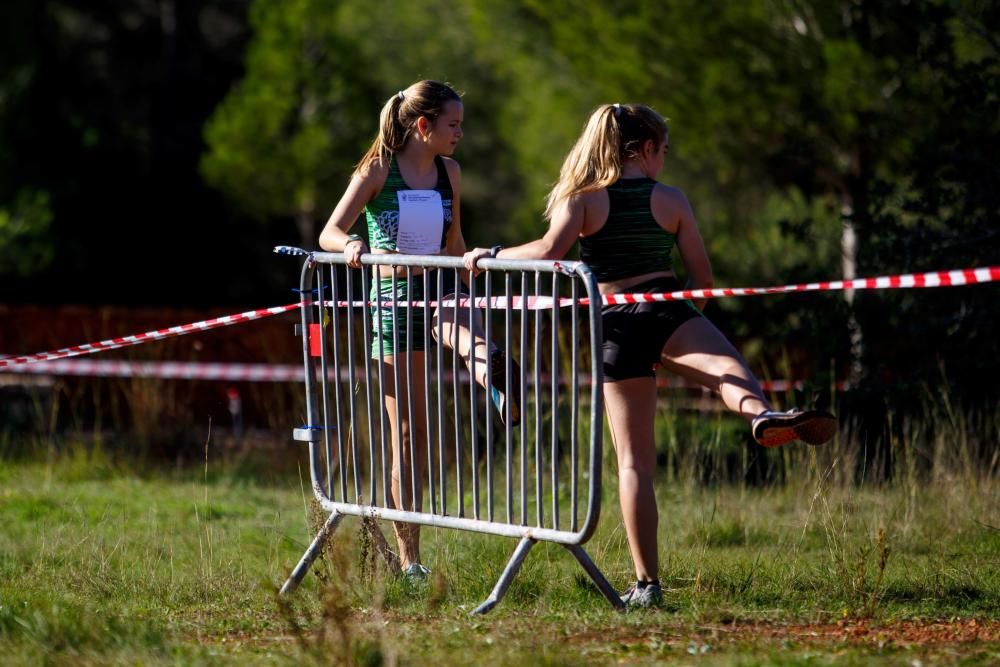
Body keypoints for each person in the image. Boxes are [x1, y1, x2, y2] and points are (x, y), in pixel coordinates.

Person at [464, 103, 836, 608]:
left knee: (634, 464)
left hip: (612, 329)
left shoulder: (583, 199)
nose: (665, 159)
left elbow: (550, 252)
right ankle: (761, 415)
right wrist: (684, 328)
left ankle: (647, 585)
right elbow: (702, 279)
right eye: (664, 150)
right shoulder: (672, 200)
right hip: (666, 312)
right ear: (645, 150)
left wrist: (489, 256)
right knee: (729, 372)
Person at [318, 80, 520, 582]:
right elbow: (330, 230)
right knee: (408, 435)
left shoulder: (449, 172)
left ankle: (497, 379)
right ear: (424, 126)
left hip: (440, 290)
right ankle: (411, 561)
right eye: (453, 125)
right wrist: (353, 248)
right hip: (392, 306)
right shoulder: (378, 170)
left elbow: (455, 243)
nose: (461, 134)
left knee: (463, 329)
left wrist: (477, 262)